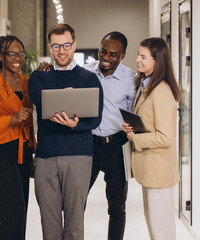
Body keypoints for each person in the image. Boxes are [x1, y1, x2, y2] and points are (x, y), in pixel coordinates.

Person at [38, 31, 136, 240]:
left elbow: (134, 113)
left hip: (117, 145)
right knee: (75, 204)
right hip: (89, 144)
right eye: (103, 51)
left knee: (117, 206)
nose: (106, 57)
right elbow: (63, 73)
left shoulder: (131, 79)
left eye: (114, 54)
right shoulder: (87, 72)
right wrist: (46, 67)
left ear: (123, 55)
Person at [28, 23, 103, 240]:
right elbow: (38, 99)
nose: (62, 51)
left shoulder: (89, 79)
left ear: (75, 45)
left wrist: (75, 125)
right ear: (50, 47)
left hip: (79, 155)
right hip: (46, 157)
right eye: (57, 46)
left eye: (67, 45)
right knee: (49, 221)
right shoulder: (38, 77)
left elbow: (95, 118)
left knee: (74, 222)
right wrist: (66, 94)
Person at [122, 37, 180, 240]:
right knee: (155, 228)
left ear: (157, 60)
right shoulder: (146, 85)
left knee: (161, 230)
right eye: (138, 54)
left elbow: (166, 137)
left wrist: (134, 138)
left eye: (143, 56)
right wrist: (133, 127)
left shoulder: (161, 91)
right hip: (151, 170)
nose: (137, 59)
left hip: (159, 171)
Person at [0, 35, 36, 240]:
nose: (17, 58)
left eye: (21, 53)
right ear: (1, 56)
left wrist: (34, 150)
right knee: (10, 212)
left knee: (22, 212)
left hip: (24, 150)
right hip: (0, 151)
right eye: (12, 53)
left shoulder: (26, 81)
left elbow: (30, 121)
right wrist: (12, 118)